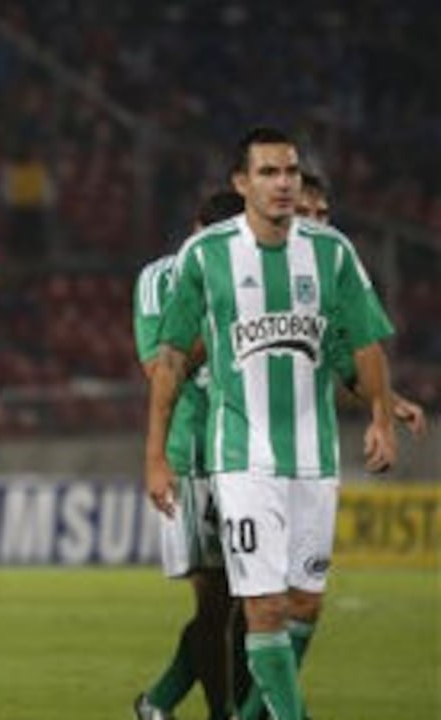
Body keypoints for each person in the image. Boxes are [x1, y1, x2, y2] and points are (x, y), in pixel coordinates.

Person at [144, 127, 397, 720]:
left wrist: (381, 416)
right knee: (262, 608)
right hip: (241, 456)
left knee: (305, 603)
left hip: (315, 456)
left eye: (290, 172)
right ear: (241, 183)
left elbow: (363, 341)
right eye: (268, 173)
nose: (283, 183)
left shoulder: (332, 252)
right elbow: (172, 359)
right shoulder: (207, 256)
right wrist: (155, 454)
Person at [132, 191, 246, 720]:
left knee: (256, 602)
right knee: (218, 602)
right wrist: (216, 318)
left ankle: (159, 702)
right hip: (194, 456)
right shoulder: (161, 278)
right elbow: (160, 369)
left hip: (250, 452)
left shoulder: (255, 271)